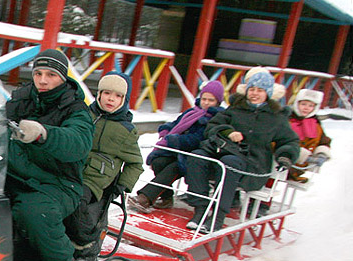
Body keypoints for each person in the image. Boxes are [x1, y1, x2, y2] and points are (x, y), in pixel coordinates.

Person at [3, 49, 95, 261]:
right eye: (38, 73)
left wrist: (44, 134)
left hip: (59, 184)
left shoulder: (76, 110)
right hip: (14, 174)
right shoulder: (21, 100)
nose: (43, 80)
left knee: (33, 211)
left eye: (51, 74)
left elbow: (78, 143)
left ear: (63, 78)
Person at [184, 69, 300, 233]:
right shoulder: (236, 109)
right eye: (252, 89)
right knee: (197, 156)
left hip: (252, 163)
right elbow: (213, 126)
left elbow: (290, 140)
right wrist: (228, 132)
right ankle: (200, 210)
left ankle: (218, 216)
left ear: (267, 93)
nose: (254, 94)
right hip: (225, 152)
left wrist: (286, 156)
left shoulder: (276, 117)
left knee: (229, 163)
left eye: (259, 90)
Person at [64, 71, 143, 261]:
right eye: (107, 93)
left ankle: (85, 246)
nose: (111, 99)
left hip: (95, 181)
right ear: (99, 94)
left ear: (124, 100)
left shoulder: (126, 130)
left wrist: (122, 185)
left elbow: (136, 164)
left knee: (77, 200)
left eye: (117, 96)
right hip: (72, 170)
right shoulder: (84, 115)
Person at [127, 80, 225, 213]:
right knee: (159, 162)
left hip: (195, 156)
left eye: (211, 100)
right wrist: (166, 131)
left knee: (175, 167)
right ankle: (166, 197)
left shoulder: (215, 118)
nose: (206, 103)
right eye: (204, 99)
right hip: (177, 151)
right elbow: (175, 123)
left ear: (217, 102)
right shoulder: (192, 112)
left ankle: (145, 197)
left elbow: (198, 139)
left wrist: (174, 140)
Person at [287, 88, 332, 182]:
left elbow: (323, 141)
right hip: (281, 161)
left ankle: (295, 173)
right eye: (303, 104)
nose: (306, 108)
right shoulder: (287, 120)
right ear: (297, 103)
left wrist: (322, 153)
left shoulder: (316, 125)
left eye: (311, 106)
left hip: (300, 166)